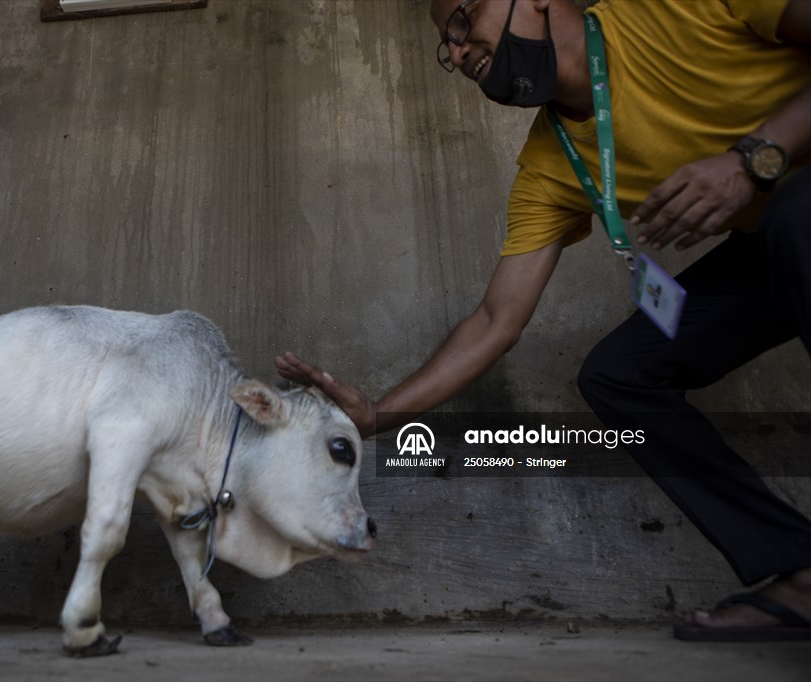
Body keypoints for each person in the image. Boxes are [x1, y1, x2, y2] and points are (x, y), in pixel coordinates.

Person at [275, 0, 811, 641]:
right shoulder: (552, 163)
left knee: (794, 213)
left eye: (462, 20)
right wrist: (378, 417)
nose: (459, 52)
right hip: (782, 248)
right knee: (619, 375)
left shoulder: (677, 9)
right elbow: (494, 321)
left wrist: (755, 158)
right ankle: (801, 575)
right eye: (449, 47)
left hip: (796, 213)